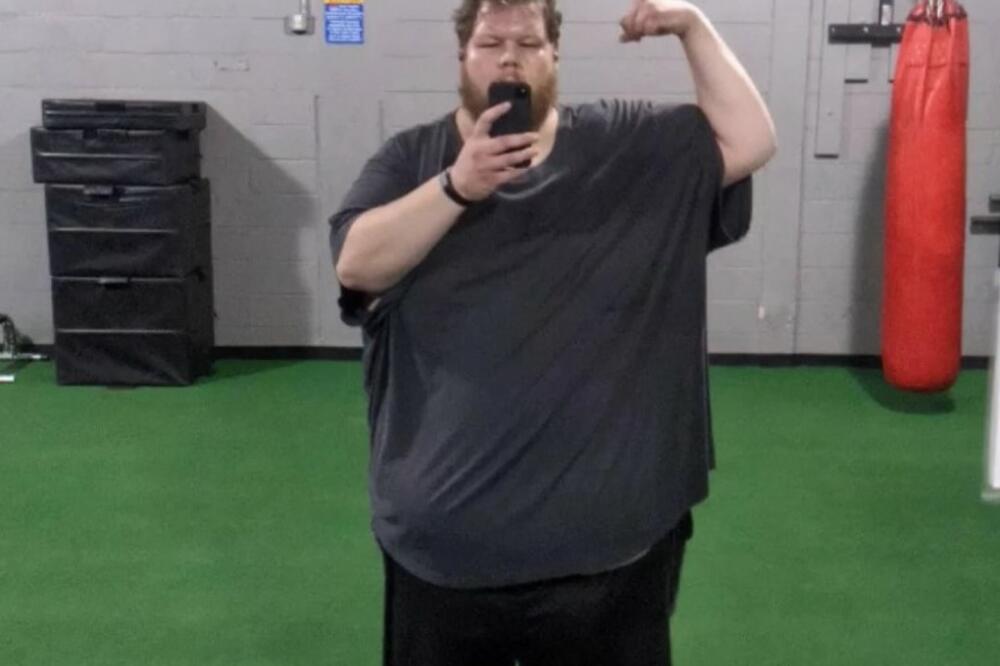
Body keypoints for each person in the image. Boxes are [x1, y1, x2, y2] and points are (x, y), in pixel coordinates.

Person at [329, 0, 777, 664]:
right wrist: (458, 186)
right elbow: (357, 263)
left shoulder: (629, 144)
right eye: (490, 43)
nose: (509, 59)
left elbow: (751, 141)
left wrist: (690, 23)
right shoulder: (412, 160)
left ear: (555, 55)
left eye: (528, 43)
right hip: (447, 559)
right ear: (462, 57)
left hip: (609, 559)